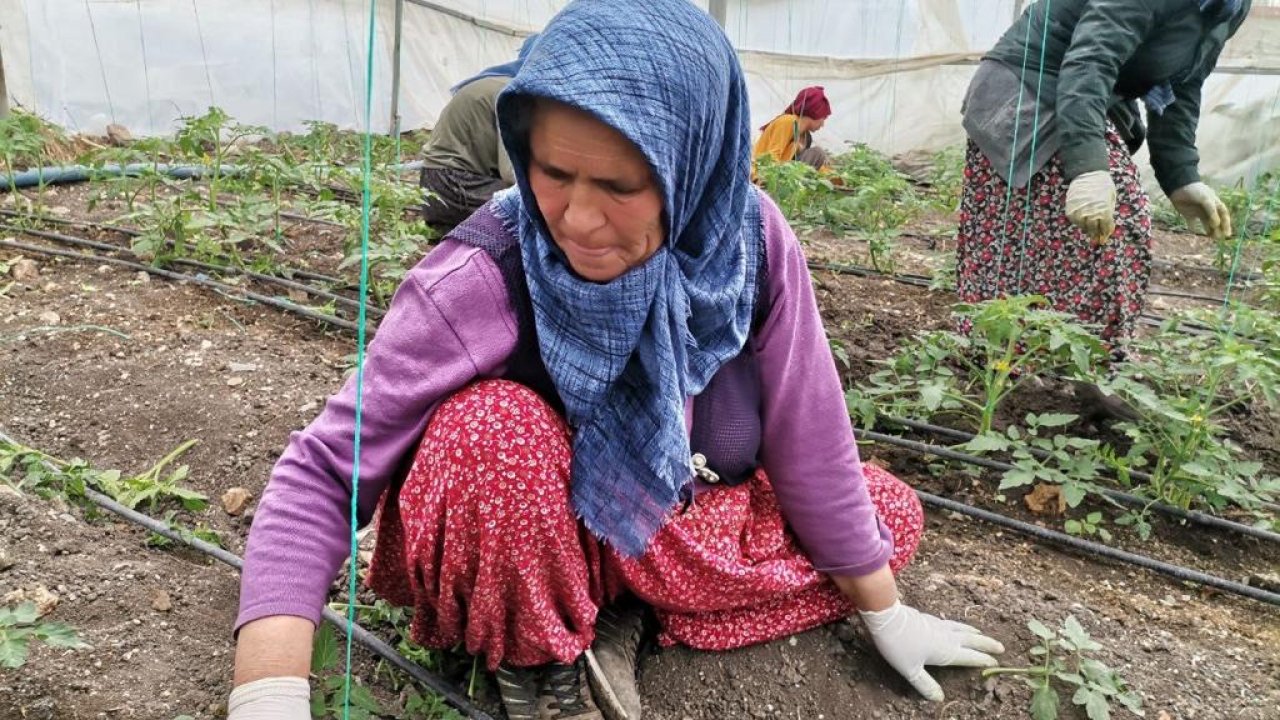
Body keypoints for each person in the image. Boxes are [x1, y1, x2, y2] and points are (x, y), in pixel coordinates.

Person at [227, 2, 1003, 719]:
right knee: (490, 432)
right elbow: (327, 470)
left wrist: (884, 609)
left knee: (888, 513)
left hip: (660, 525)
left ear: (693, 168)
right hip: (521, 537)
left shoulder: (750, 246)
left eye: (621, 185)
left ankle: (626, 620)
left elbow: (812, 437)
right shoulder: (485, 272)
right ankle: (537, 657)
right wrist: (268, 687)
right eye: (553, 173)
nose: (579, 218)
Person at [956, 0, 1249, 354]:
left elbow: (1182, 84)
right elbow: (1090, 62)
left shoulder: (1230, 6)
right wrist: (1089, 169)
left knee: (1079, 235)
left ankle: (1079, 359)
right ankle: (1024, 355)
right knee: (1107, 223)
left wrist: (1181, 176)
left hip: (1085, 96)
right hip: (1026, 91)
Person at [418, 34, 539, 228]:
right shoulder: (514, 93)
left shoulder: (495, 82)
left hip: (435, 186)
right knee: (536, 206)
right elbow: (511, 172)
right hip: (454, 186)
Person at [752, 86, 835, 175]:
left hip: (783, 174)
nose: (823, 124)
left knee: (819, 157)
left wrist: (833, 176)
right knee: (818, 153)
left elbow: (811, 164)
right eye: (823, 118)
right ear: (815, 112)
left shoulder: (806, 136)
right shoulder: (788, 122)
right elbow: (772, 156)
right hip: (765, 174)